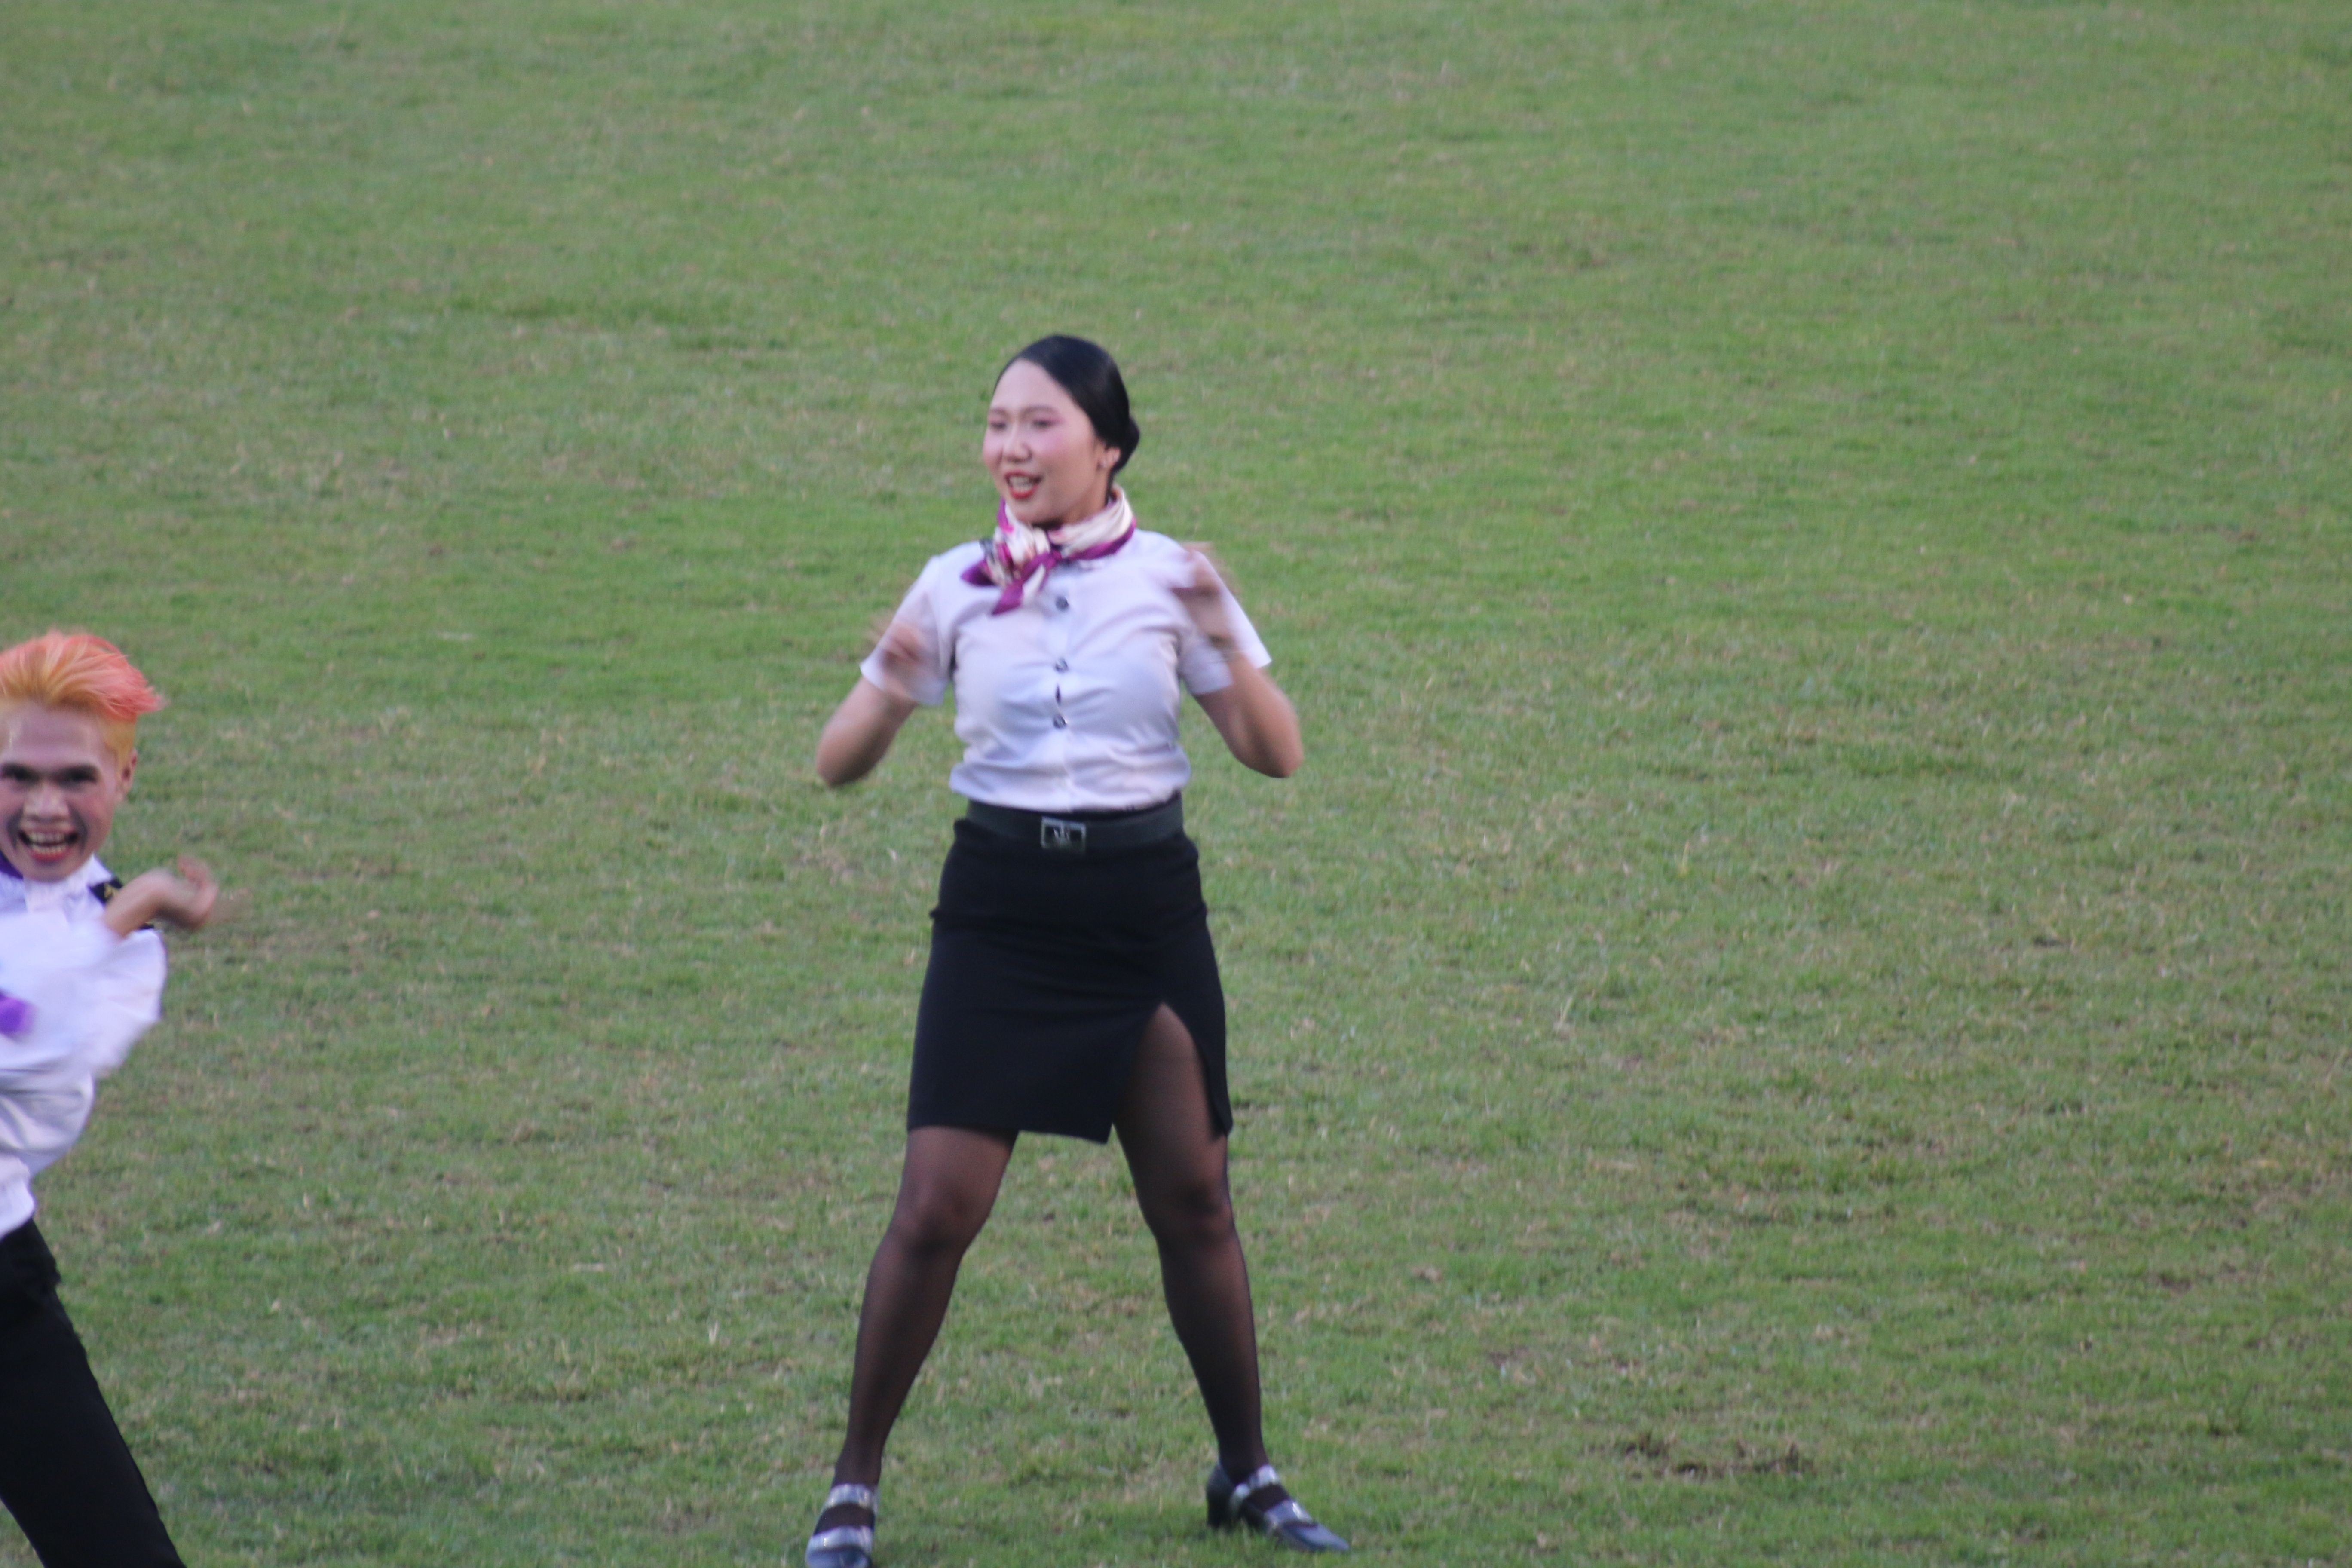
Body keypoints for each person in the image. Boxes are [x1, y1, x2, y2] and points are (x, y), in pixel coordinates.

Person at [802, 336, 1348, 1565]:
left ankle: (1249, 1474)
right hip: (1001, 916)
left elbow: (1276, 754)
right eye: (997, 423)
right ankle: (851, 1490)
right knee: (937, 1207)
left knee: (1195, 1200)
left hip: (1140, 915)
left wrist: (1220, 627)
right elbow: (836, 763)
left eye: (1038, 424)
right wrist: (889, 684)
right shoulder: (953, 585)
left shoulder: (1171, 579)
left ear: (1108, 447)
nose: (1010, 447)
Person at [0, 632, 221, 1568]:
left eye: (76, 779)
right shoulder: (123, 928)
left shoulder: (127, 956)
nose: (45, 808)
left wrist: (119, 921)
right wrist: (130, 910)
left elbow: (27, 1036)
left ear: (125, 779)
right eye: (16, 776)